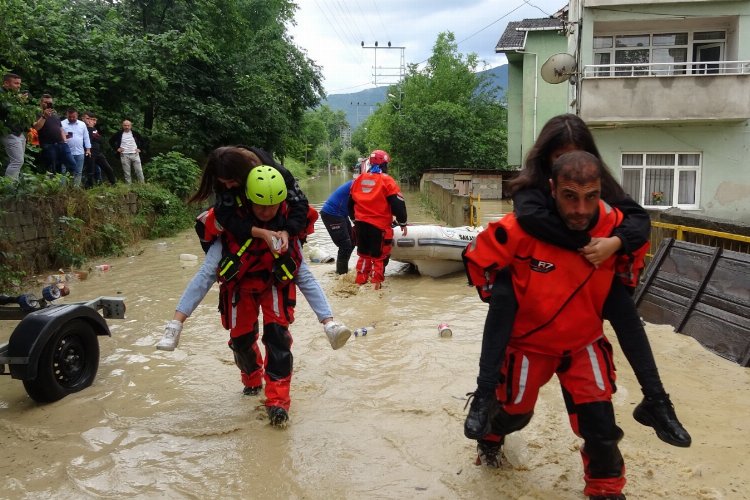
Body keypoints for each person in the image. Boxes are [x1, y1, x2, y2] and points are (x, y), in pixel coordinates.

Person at [463, 114, 691, 450]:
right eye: (560, 159)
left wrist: (613, 244)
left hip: (588, 293)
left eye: (589, 195)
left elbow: (639, 221)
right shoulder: (528, 201)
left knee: (600, 423)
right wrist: (582, 246)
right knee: (505, 300)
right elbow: (495, 245)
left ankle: (656, 400)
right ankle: (486, 398)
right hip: (534, 295)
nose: (571, 165)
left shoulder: (603, 198)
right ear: (550, 174)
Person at [464, 150, 646, 499]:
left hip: (584, 343)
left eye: (590, 197)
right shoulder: (519, 229)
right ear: (552, 189)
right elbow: (477, 258)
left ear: (600, 193)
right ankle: (490, 437)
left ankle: (605, 490)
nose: (580, 209)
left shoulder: (614, 230)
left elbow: (631, 265)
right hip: (528, 345)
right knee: (516, 414)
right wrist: (504, 301)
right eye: (570, 197)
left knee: (601, 427)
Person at [156, 146, 351, 353]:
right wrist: (259, 232)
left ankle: (329, 323)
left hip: (279, 229)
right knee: (208, 270)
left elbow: (300, 205)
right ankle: (175, 324)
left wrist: (286, 231)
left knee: (302, 271)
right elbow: (225, 217)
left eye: (232, 182)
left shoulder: (278, 174)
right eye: (224, 183)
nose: (228, 186)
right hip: (238, 230)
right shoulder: (226, 184)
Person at [348, 149, 407, 289]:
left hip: (361, 225)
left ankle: (359, 284)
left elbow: (350, 203)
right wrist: (403, 222)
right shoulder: (387, 181)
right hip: (379, 227)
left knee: (363, 256)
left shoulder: (358, 180)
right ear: (384, 164)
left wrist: (354, 220)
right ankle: (377, 290)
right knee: (378, 259)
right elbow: (398, 204)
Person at [33, 94, 76, 177]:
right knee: (52, 168)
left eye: (50, 103)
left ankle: (70, 186)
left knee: (72, 164)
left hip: (61, 143)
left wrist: (64, 141)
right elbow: (36, 127)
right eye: (46, 102)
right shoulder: (37, 113)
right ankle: (54, 187)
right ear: (41, 103)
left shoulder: (55, 114)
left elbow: (60, 128)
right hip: (48, 144)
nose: (48, 104)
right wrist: (44, 116)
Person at [320, 179, 355, 274]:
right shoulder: (358, 184)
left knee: (352, 241)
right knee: (345, 245)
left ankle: (343, 269)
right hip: (332, 214)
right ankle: (341, 275)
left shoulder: (363, 184)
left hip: (341, 214)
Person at [1, 73, 29, 180]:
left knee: (18, 162)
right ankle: (8, 189)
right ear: (6, 83)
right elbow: (6, 110)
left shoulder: (13, 96)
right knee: (17, 161)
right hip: (9, 132)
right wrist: (18, 101)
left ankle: (14, 188)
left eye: (20, 84)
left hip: (18, 132)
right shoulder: (2, 94)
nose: (19, 86)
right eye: (16, 83)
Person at [81, 112, 116, 186]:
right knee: (90, 171)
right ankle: (89, 187)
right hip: (89, 152)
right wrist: (91, 128)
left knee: (107, 168)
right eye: (88, 118)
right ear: (83, 119)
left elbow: (100, 140)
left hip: (98, 152)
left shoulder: (94, 129)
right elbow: (88, 140)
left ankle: (113, 183)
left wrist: (93, 130)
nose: (90, 121)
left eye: (91, 119)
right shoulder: (83, 128)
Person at [61, 107, 91, 187]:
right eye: (70, 117)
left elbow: (86, 137)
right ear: (67, 115)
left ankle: (75, 189)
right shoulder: (62, 124)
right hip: (66, 152)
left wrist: (88, 149)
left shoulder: (82, 124)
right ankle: (62, 189)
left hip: (79, 152)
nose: (71, 118)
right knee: (64, 171)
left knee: (78, 171)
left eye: (73, 117)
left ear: (77, 115)